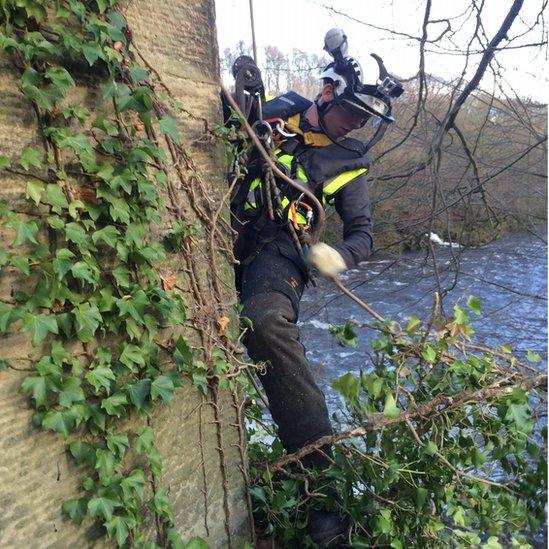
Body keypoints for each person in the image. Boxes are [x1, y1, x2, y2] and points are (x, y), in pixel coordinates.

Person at [226, 29, 403, 547]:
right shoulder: (279, 109)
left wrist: (337, 257)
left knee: (264, 322)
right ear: (326, 94)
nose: (357, 125)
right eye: (351, 114)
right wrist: (241, 94)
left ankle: (323, 493)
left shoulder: (349, 163)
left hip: (280, 250)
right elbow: (228, 124)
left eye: (364, 119)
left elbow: (363, 232)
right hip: (231, 225)